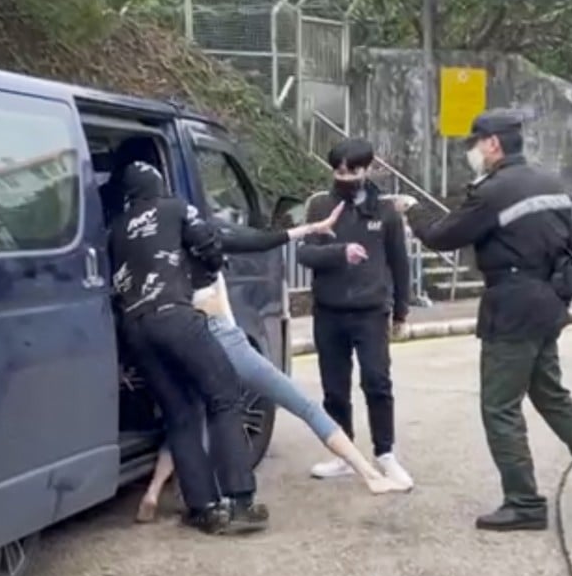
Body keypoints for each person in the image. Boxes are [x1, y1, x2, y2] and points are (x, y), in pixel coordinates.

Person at [395, 108, 572, 531]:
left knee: (499, 406)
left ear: (493, 144)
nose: (471, 151)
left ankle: (524, 501)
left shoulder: (494, 190)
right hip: (547, 301)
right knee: (551, 395)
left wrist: (411, 209)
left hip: (512, 304)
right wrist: (559, 297)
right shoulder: (550, 183)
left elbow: (442, 237)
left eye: (474, 143)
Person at [135, 206, 414, 523]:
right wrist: (312, 227)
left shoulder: (160, 258)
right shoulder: (209, 242)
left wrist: (311, 227)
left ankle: (153, 493)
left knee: (188, 418)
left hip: (186, 340)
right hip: (225, 339)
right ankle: (370, 474)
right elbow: (262, 240)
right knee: (302, 404)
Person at [108, 161, 268, 535]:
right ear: (158, 185)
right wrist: (211, 265)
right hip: (175, 318)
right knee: (225, 394)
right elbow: (208, 244)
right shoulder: (175, 207)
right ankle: (240, 501)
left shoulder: (115, 229)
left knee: (179, 414)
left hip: (135, 329)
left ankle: (204, 509)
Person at [295, 138, 414, 489]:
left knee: (377, 382)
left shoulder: (386, 211)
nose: (344, 177)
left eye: (353, 171)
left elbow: (399, 263)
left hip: (371, 311)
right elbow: (305, 254)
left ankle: (385, 454)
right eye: (339, 171)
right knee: (334, 388)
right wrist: (339, 252)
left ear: (368, 169)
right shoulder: (320, 205)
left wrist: (401, 312)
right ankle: (343, 453)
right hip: (329, 311)